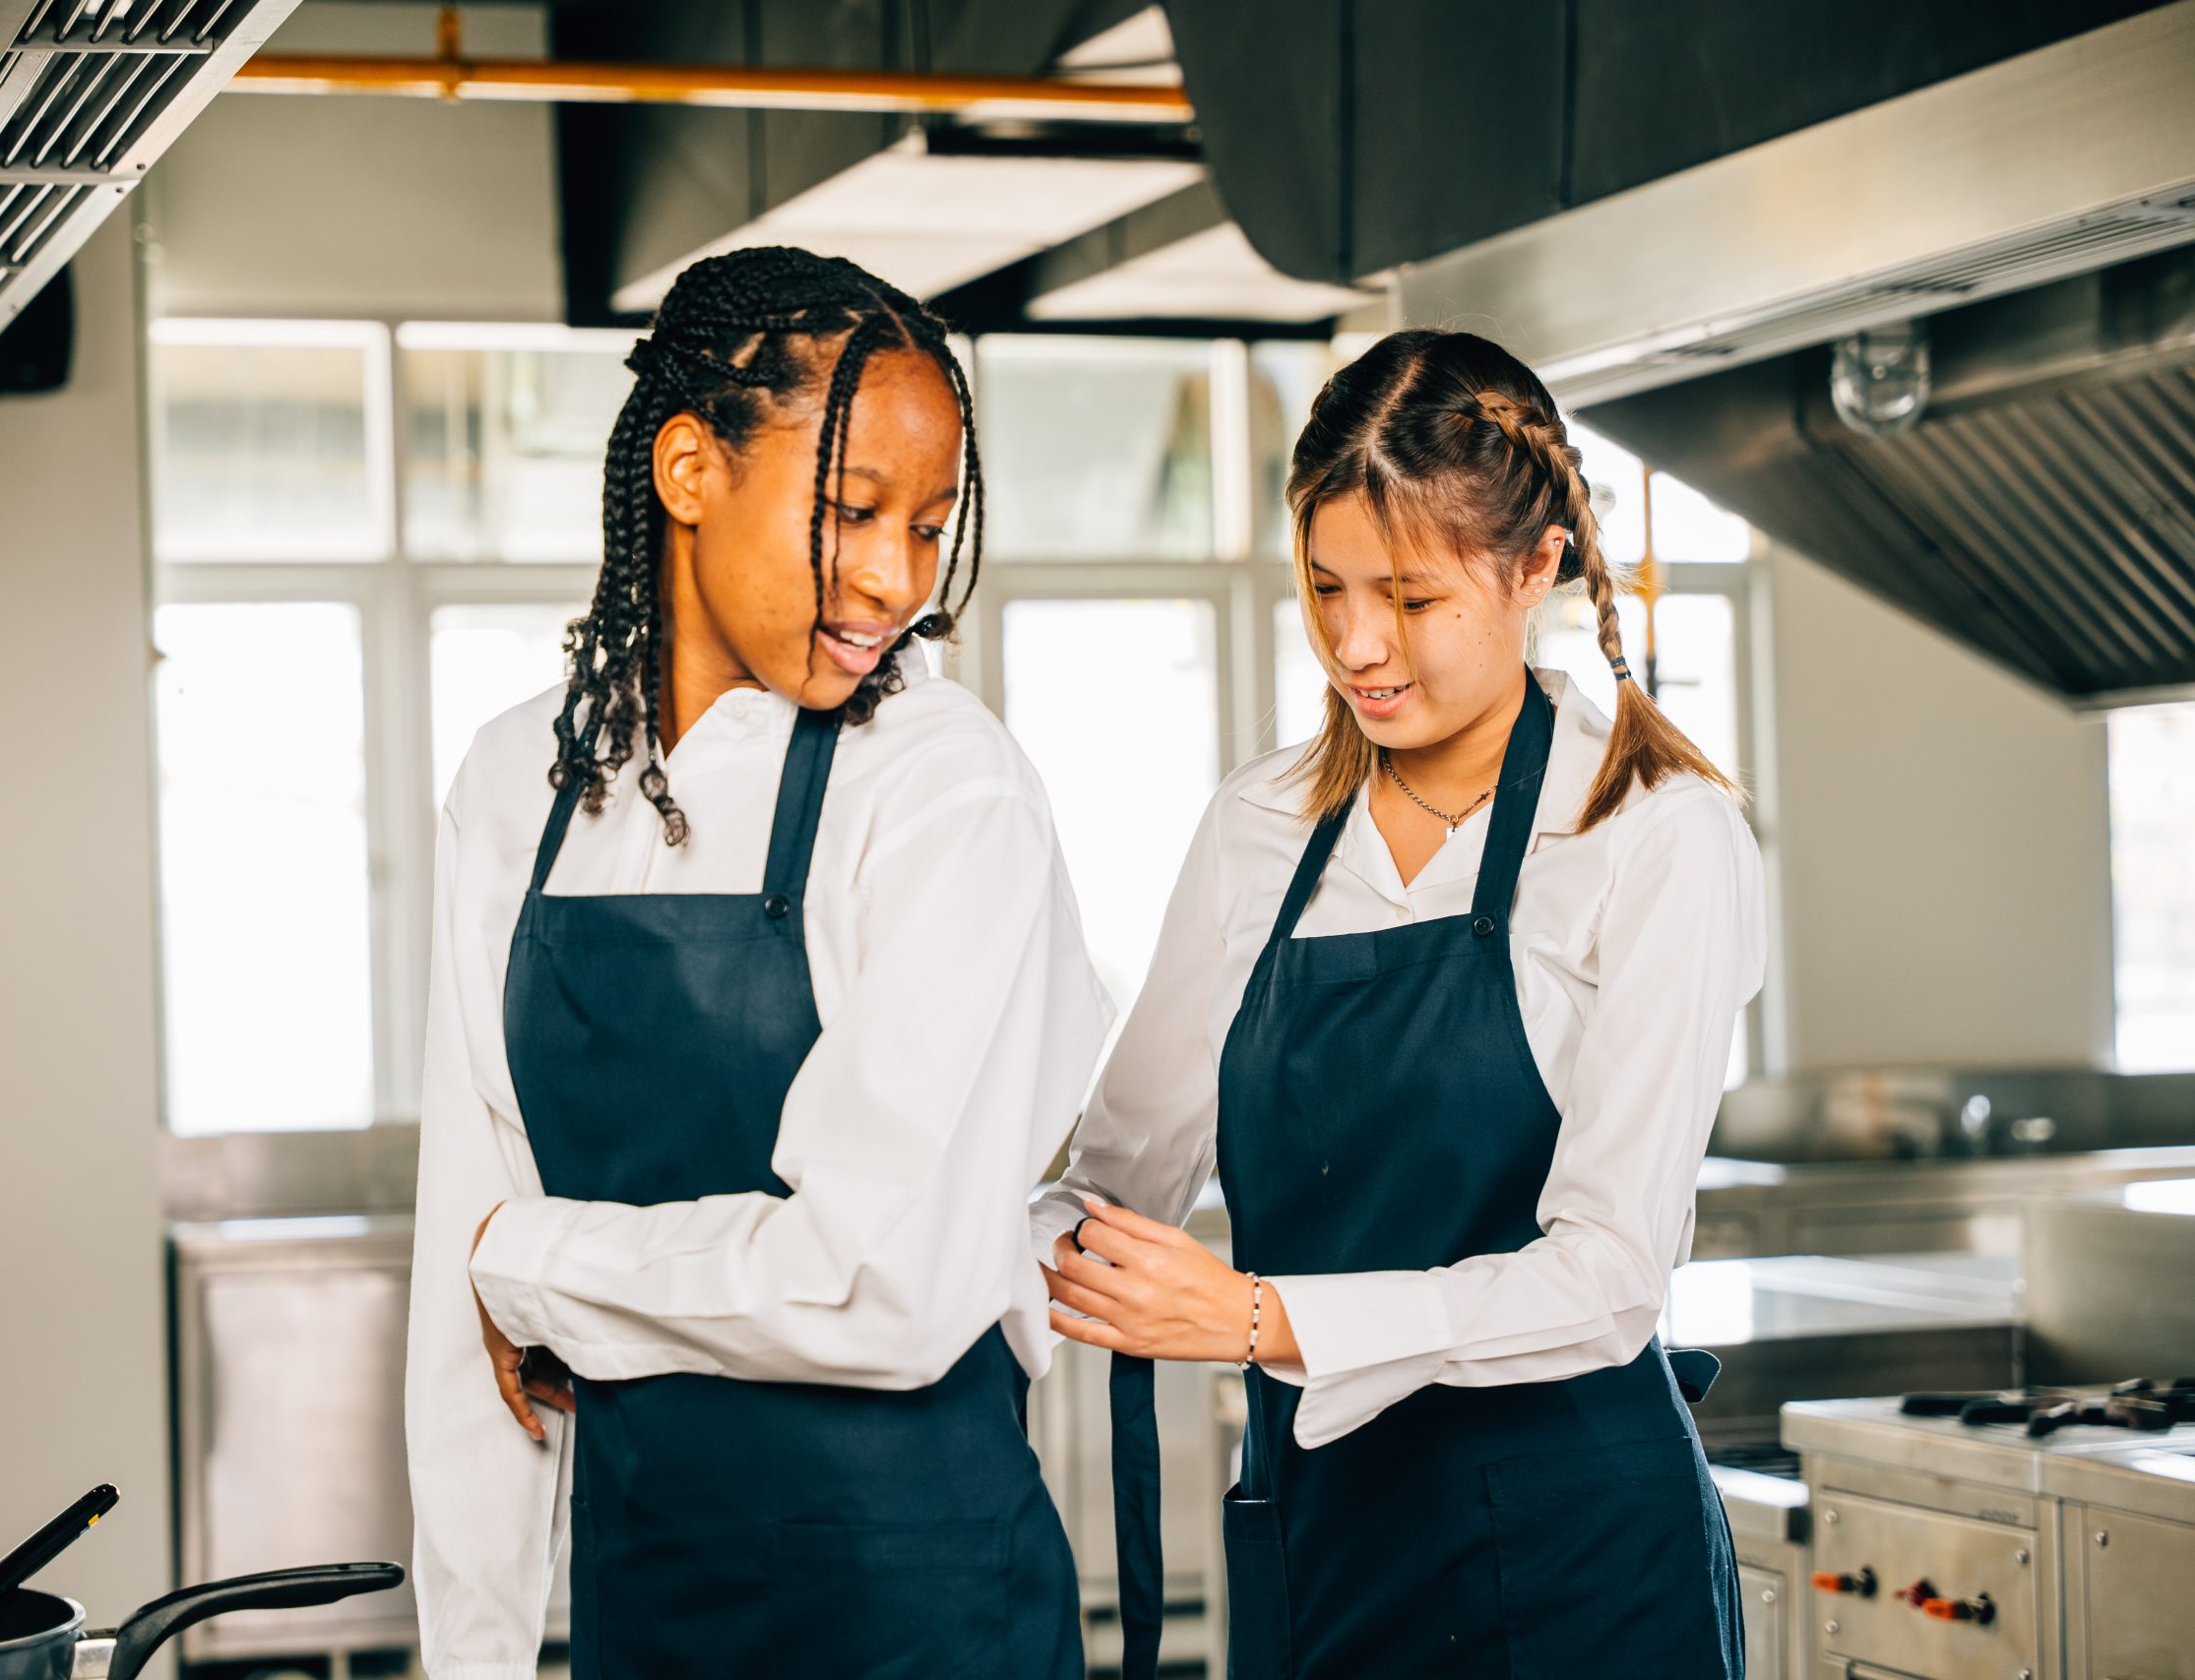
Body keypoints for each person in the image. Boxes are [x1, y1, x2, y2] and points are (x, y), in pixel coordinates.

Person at [404, 246, 1104, 1680]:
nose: (894, 579)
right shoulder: (521, 785)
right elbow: (452, 1281)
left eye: (928, 526)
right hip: (647, 1596)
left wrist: (538, 1261)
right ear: (686, 471)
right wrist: (471, 1656)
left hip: (919, 1610)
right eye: (850, 511)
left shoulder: (943, 789)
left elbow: (881, 1286)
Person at [1035, 328, 1761, 1678]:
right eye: (1324, 588)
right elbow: (1114, 1190)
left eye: (1413, 599)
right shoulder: (1261, 826)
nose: (1357, 646)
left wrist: (1267, 1321)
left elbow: (1608, 1279)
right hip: (1326, 1539)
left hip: (1578, 1562)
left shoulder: (1657, 835)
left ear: (1536, 566)